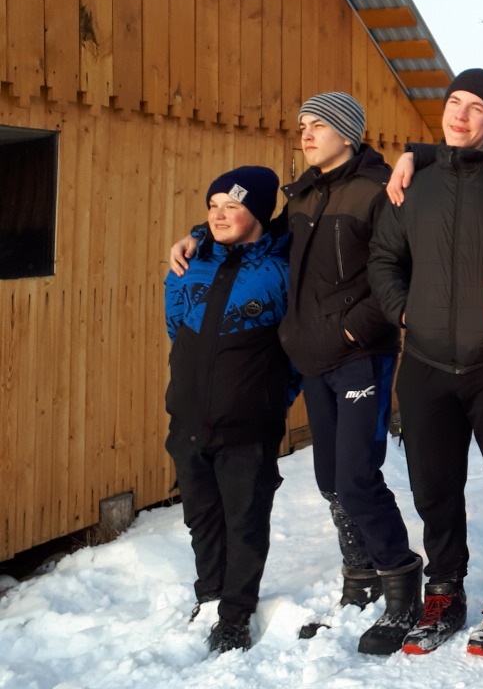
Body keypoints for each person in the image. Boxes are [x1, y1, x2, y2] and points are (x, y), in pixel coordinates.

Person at [169, 94, 419, 656]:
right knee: (330, 479)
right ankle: (360, 575)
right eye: (303, 125)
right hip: (315, 360)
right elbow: (252, 228)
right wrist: (198, 233)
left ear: (348, 132)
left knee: (357, 478)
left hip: (360, 354)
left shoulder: (380, 189)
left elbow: (400, 270)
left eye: (318, 125)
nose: (305, 133)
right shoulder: (304, 193)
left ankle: (403, 584)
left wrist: (351, 331)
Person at [367, 68, 483, 656]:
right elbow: (384, 257)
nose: (460, 115)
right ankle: (443, 591)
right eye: (454, 103)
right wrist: (404, 311)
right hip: (425, 361)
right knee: (434, 486)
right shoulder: (414, 184)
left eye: (476, 108)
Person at [164, 166, 294, 653]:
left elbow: (294, 349)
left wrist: (269, 399)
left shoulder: (279, 272)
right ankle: (210, 594)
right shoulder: (188, 263)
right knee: (201, 516)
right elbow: (176, 327)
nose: (218, 216)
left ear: (257, 213)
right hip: (189, 419)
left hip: (249, 425)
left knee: (245, 521)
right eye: (213, 206)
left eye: (232, 206)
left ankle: (236, 613)